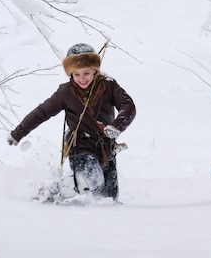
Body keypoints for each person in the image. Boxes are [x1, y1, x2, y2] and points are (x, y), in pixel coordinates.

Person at [8, 43, 136, 202]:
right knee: (94, 182)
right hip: (79, 146)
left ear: (95, 70)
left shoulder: (109, 86)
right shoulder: (65, 92)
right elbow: (41, 113)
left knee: (109, 198)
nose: (82, 78)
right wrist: (18, 133)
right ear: (70, 74)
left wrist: (117, 126)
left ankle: (61, 190)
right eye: (77, 74)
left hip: (106, 147)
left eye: (86, 73)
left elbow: (128, 106)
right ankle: (56, 193)